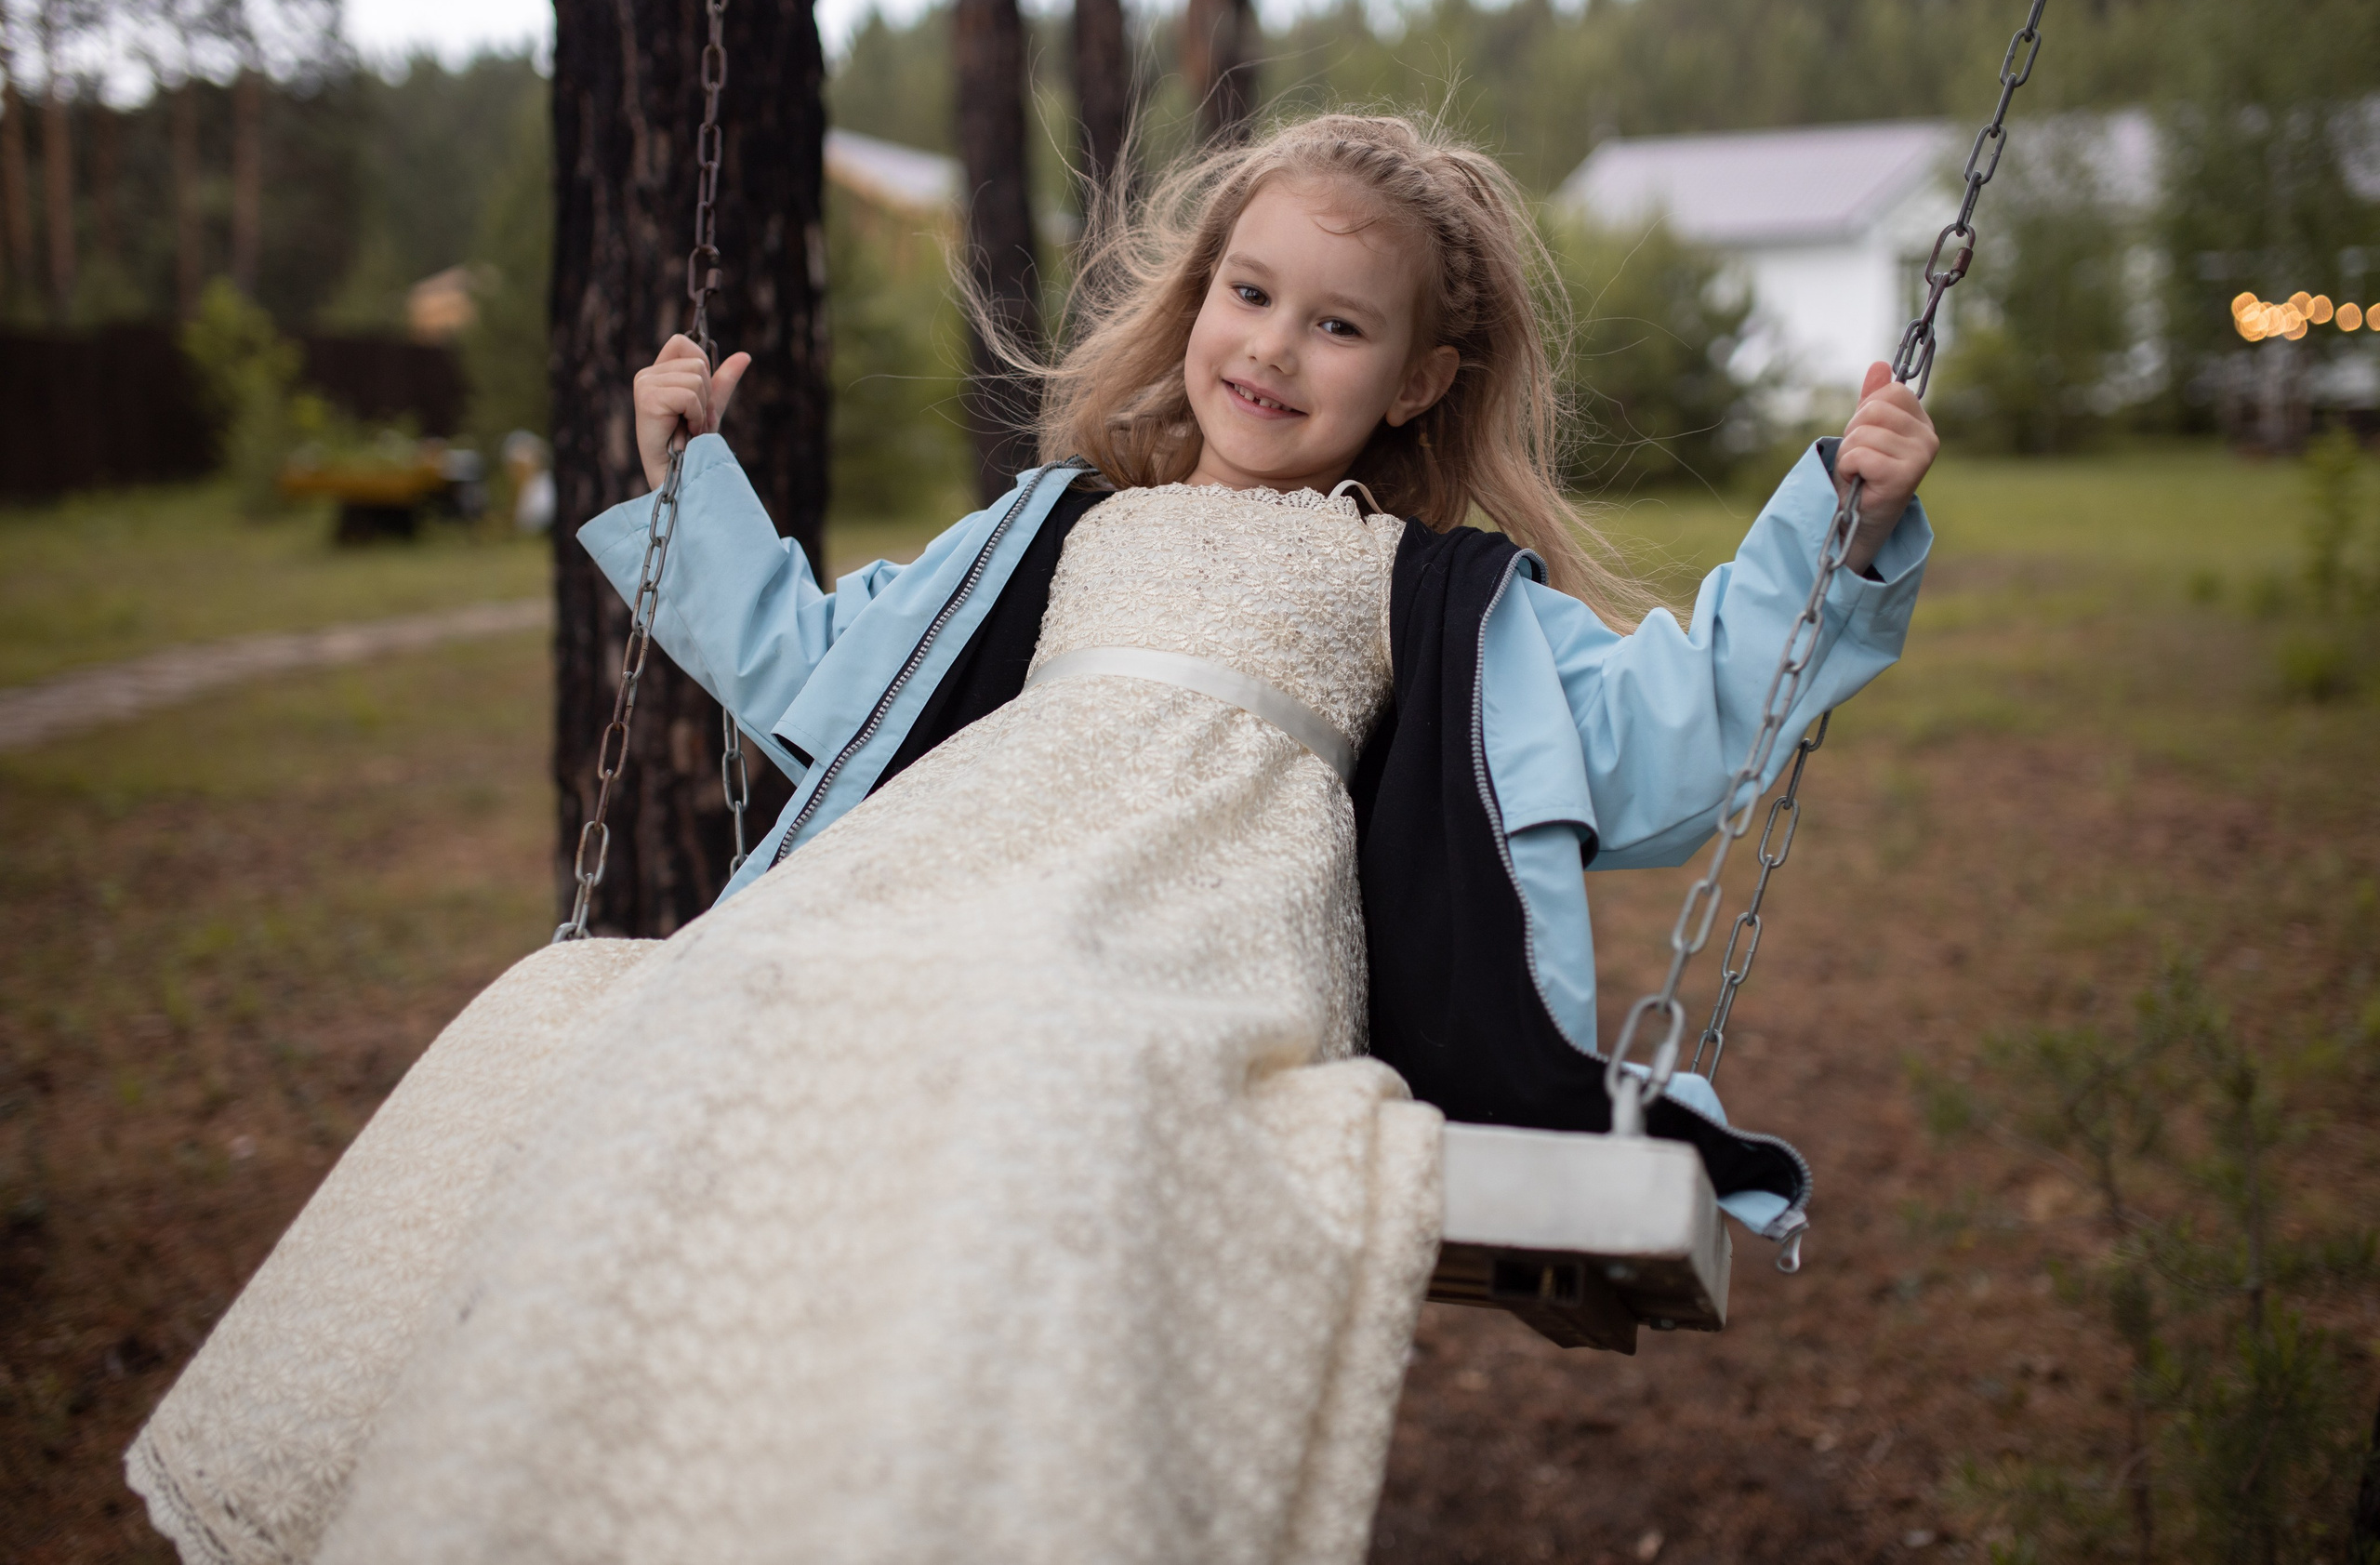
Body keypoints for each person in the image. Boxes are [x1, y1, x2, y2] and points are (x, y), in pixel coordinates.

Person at [128, 113, 1936, 1565]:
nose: (1269, 346)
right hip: (962, 865)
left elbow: (1664, 731)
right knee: (675, 992)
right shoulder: (1055, 530)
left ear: (1415, 377)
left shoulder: (1429, 594)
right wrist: (689, 484)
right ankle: (649, 1470)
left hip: (1192, 923)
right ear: (1194, 299)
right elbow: (820, 666)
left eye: (1335, 322)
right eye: (1248, 292)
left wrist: (1829, 538)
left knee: (1052, 1047)